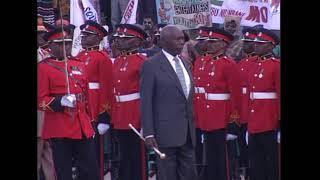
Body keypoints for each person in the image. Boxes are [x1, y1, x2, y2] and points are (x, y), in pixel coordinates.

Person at [38, 26, 99, 180]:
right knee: (63, 170)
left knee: (90, 169)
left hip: (82, 125)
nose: (64, 47)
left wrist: (91, 119)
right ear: (50, 46)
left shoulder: (78, 64)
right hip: (60, 126)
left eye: (67, 43)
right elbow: (40, 100)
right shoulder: (44, 68)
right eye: (59, 44)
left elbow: (86, 95)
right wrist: (60, 101)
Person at [141, 25, 197, 180]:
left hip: (187, 132)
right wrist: (149, 132)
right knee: (168, 175)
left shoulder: (185, 63)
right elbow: (146, 100)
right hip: (165, 133)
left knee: (189, 174)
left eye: (183, 39)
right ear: (164, 41)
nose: (182, 42)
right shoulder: (151, 65)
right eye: (177, 39)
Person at [199, 27, 241, 180]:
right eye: (208, 41)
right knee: (211, 161)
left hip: (222, 120)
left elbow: (236, 98)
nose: (208, 44)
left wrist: (233, 125)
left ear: (223, 44)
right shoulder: (205, 62)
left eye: (213, 41)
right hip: (207, 119)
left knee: (224, 163)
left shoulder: (228, 64)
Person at [76, 20, 114, 180]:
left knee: (94, 151)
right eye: (83, 34)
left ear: (98, 38)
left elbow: (107, 87)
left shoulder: (102, 58)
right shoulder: (78, 56)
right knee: (80, 150)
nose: (83, 38)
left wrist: (104, 116)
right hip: (79, 107)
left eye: (88, 35)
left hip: (94, 108)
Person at [111, 23, 149, 180]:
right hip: (120, 115)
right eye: (120, 38)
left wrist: (145, 122)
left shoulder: (143, 62)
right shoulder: (117, 60)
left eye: (126, 38)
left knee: (137, 158)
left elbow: (146, 94)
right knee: (123, 157)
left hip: (135, 115)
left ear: (138, 42)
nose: (120, 41)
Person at [247, 28, 280, 180]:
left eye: (260, 44)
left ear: (271, 46)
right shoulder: (254, 65)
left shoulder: (276, 66)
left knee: (271, 163)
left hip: (270, 123)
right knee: (256, 163)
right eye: (256, 43)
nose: (256, 46)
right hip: (254, 123)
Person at [236, 27, 259, 178]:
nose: (245, 45)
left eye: (249, 42)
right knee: (242, 145)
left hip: (254, 110)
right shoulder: (241, 62)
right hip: (241, 111)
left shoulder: (258, 62)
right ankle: (245, 169)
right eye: (244, 42)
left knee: (254, 147)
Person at [37, 17, 55, 180]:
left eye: (43, 33)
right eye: (38, 34)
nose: (41, 37)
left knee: (47, 151)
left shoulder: (48, 54)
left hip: (45, 109)